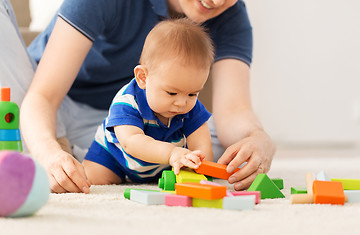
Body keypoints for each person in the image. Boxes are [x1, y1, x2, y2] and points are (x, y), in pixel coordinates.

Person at [8, 0, 275, 193]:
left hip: (153, 120)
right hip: (51, 107)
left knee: (221, 148)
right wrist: (48, 154)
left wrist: (258, 139)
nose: (217, 1)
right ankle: (56, 154)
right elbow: (43, 95)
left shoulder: (232, 14)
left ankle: (77, 162)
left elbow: (233, 111)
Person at [82, 19, 214, 185]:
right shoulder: (127, 102)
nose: (182, 103)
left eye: (193, 94)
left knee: (185, 176)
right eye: (172, 92)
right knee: (92, 180)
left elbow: (202, 144)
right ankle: (80, 157)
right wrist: (171, 153)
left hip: (163, 165)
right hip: (114, 156)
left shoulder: (191, 108)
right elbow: (131, 143)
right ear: (143, 78)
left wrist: (196, 162)